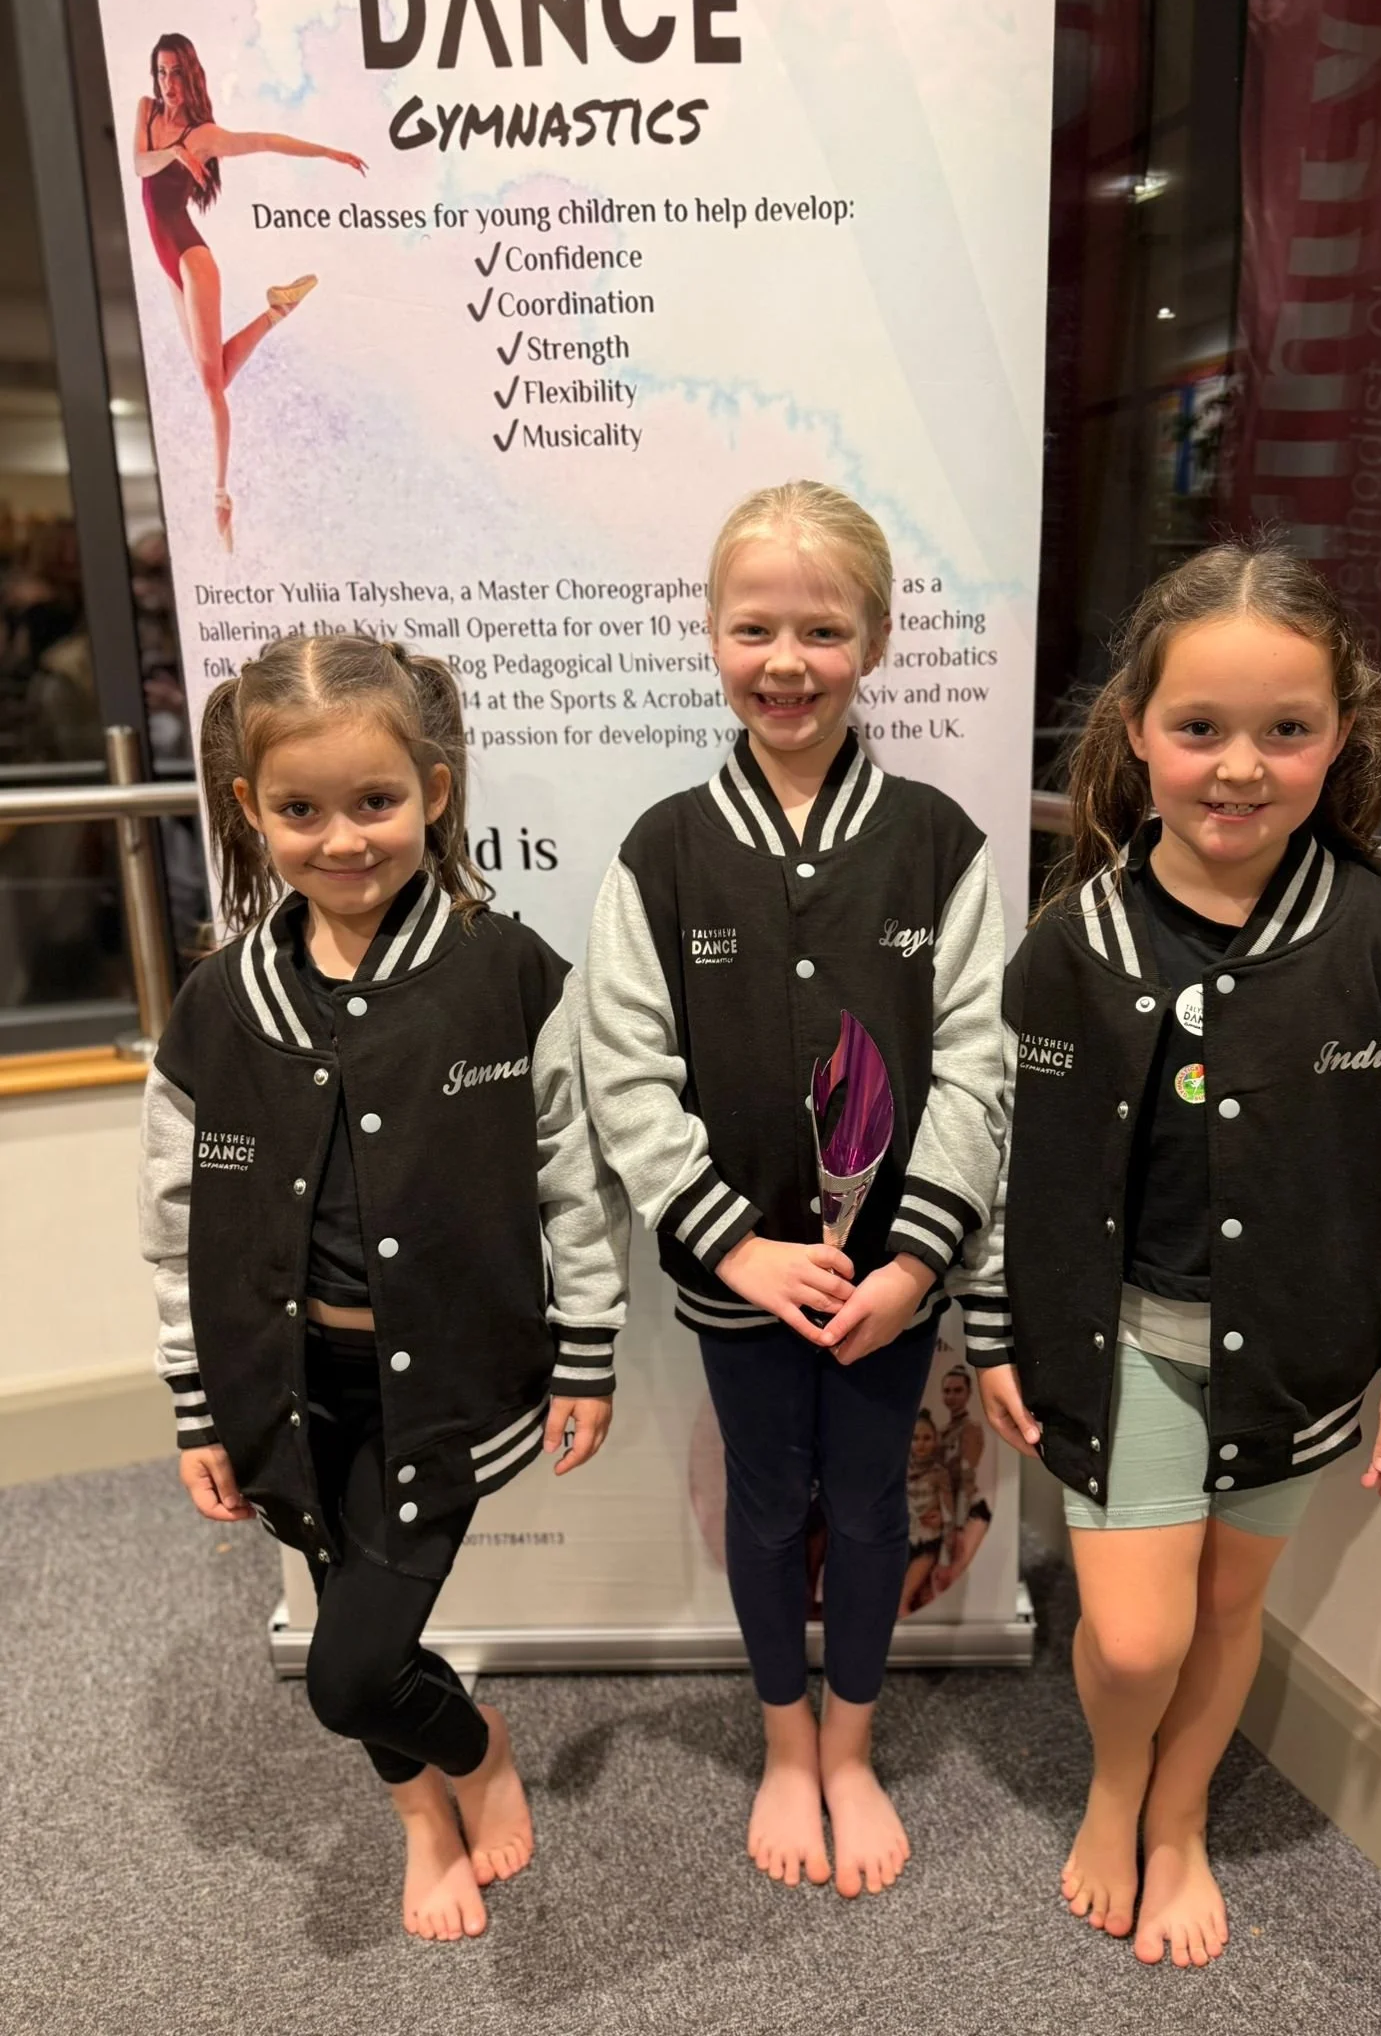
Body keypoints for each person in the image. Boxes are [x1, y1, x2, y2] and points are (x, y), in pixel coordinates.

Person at [968, 541, 1381, 1968]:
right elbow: (1008, 1146)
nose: (1240, 767)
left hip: (1303, 1355)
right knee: (1134, 1641)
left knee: (1223, 1610)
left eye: (1287, 730)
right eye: (1199, 728)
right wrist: (994, 1320)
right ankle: (1119, 1780)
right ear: (1137, 735)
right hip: (1117, 1340)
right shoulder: (1068, 941)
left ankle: (1181, 1819)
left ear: (1342, 738)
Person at [139, 633, 627, 1942]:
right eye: (300, 811)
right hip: (287, 1391)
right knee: (354, 1637)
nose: (342, 839)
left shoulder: (506, 974)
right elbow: (173, 1213)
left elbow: (576, 1178)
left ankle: (478, 1754)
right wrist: (196, 1402)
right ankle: (423, 1818)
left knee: (349, 1668)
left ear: (437, 789)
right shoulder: (218, 1006)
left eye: (376, 802)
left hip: (448, 1393)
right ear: (250, 813)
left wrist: (589, 1348)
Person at [581, 480, 1005, 1897]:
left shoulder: (941, 843)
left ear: (874, 640)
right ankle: (782, 1748)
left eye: (821, 629)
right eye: (753, 626)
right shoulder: (664, 849)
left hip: (890, 1284)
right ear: (711, 636)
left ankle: (853, 1749)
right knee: (769, 1506)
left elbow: (978, 1066)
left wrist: (914, 1264)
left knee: (874, 1504)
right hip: (738, 1281)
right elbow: (623, 1073)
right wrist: (737, 1250)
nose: (786, 660)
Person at [132, 32, 366, 552]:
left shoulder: (206, 134)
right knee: (212, 372)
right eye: (161, 72)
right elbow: (138, 166)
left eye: (175, 72)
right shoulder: (148, 114)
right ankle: (277, 311)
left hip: (193, 261)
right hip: (171, 265)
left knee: (212, 387)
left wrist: (327, 151)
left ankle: (220, 496)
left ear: (190, 74)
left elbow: (264, 140)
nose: (168, 83)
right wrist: (173, 150)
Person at [929, 1362, 993, 1597]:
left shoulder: (970, 1429)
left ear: (968, 1393)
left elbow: (966, 1478)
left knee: (950, 1578)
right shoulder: (943, 1429)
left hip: (968, 1512)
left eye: (957, 1390)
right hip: (947, 1512)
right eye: (947, 1391)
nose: (951, 1396)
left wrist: (958, 1525)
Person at [899, 1409, 953, 1617]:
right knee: (917, 1599)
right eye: (916, 1438)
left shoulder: (940, 1473)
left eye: (927, 1438)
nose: (921, 1444)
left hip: (927, 1544)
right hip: (902, 1540)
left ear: (935, 1441)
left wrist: (946, 1559)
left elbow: (948, 1515)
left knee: (903, 1601)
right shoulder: (900, 1469)